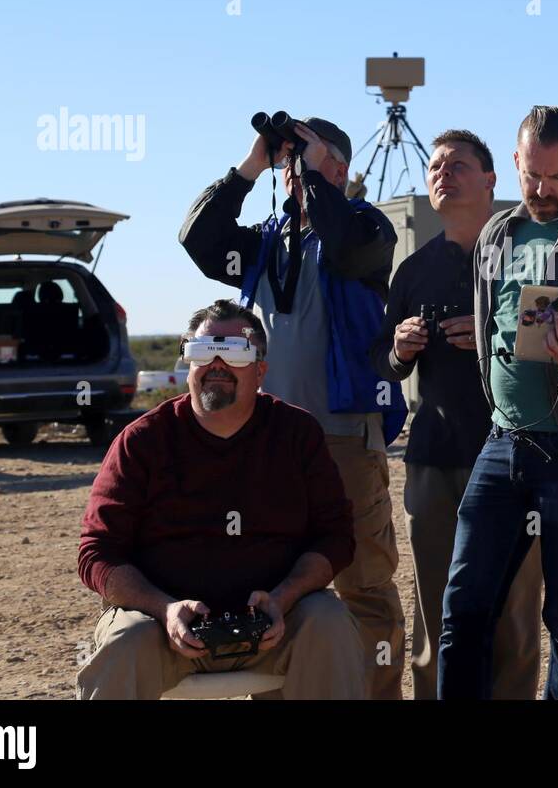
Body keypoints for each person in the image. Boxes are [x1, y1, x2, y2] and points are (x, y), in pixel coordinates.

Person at [179, 117, 408, 699]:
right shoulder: (266, 241)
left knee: (364, 588)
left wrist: (314, 179)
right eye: (289, 160)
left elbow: (349, 246)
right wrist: (251, 166)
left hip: (343, 439)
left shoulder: (365, 226)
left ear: (339, 169)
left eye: (305, 157)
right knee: (271, 588)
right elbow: (198, 240)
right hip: (271, 443)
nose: (292, 169)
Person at [438, 106, 558, 700]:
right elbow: (489, 326)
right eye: (532, 176)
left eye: (556, 177)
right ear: (517, 162)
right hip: (502, 445)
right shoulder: (497, 236)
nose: (543, 190)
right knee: (465, 608)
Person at [76, 300, 365, 699]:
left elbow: (334, 538)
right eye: (202, 350)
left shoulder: (297, 434)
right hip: (163, 628)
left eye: (233, 351)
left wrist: (283, 598)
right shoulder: (143, 441)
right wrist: (164, 609)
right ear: (187, 363)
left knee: (328, 621)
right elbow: (97, 552)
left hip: (275, 623)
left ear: (260, 369)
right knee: (125, 641)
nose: (216, 363)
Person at [370, 129, 542, 700]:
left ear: (492, 179)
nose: (444, 172)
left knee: (514, 614)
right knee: (435, 612)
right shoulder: (412, 270)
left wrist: (496, 335)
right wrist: (400, 349)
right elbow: (384, 364)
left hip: (516, 456)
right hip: (434, 458)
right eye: (436, 166)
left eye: (459, 164)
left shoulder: (527, 256)